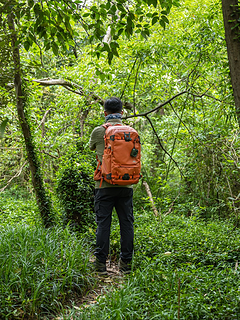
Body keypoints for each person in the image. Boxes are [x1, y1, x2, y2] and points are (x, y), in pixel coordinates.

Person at [89, 97, 134, 274]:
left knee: (103, 225)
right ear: (122, 113)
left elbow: (92, 148)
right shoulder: (132, 131)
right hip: (126, 186)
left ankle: (100, 265)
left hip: (104, 185)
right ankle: (126, 265)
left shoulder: (98, 131)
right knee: (127, 224)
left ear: (105, 113)